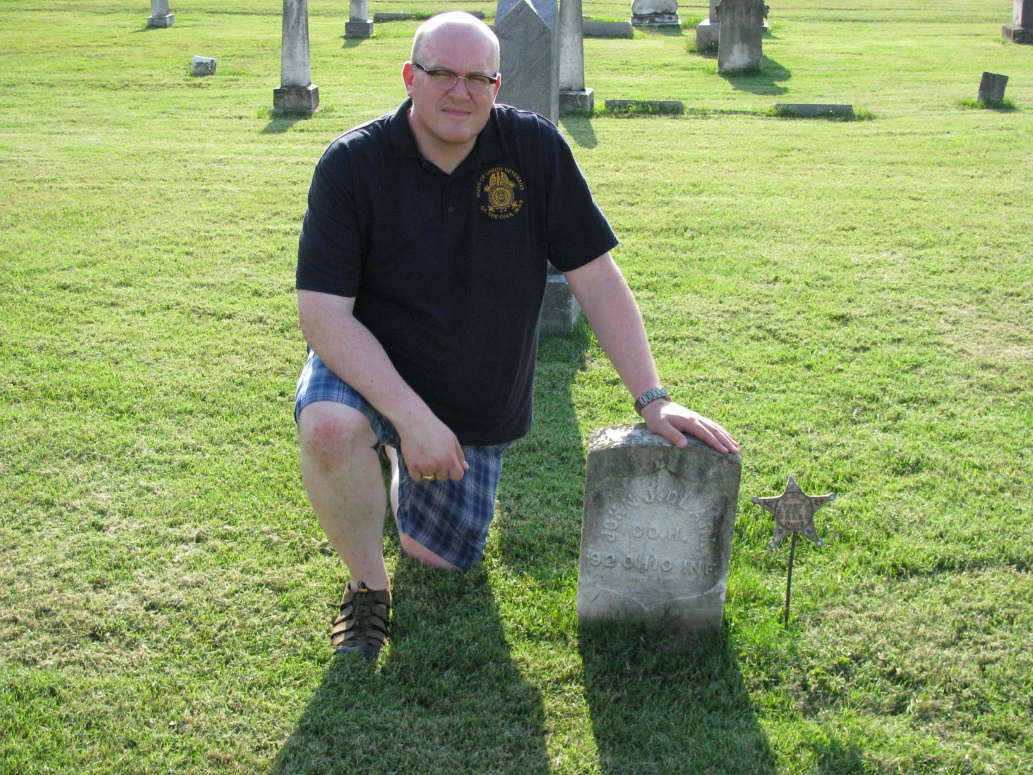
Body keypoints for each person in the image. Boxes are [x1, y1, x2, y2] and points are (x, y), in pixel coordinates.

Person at [294, 11, 738, 659]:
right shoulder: (352, 164)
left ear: (496, 86)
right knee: (331, 426)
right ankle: (367, 588)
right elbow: (323, 315)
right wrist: (411, 418)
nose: (460, 92)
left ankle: (392, 462)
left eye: (478, 78)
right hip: (368, 365)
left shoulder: (533, 150)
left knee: (438, 556)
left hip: (471, 396)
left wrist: (652, 396)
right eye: (442, 74)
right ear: (409, 77)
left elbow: (596, 278)